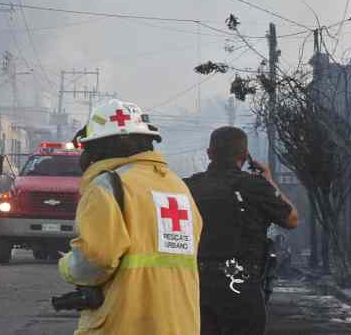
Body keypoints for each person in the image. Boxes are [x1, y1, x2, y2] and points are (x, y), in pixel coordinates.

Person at [58, 99, 202, 334]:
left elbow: (95, 259)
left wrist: (66, 265)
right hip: (181, 324)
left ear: (100, 147)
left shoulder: (106, 186)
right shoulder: (177, 187)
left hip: (126, 323)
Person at [185, 126, 299, 335]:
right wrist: (268, 180)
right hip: (240, 286)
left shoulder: (188, 187)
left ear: (209, 153)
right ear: (245, 156)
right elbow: (291, 219)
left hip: (195, 286)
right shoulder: (255, 186)